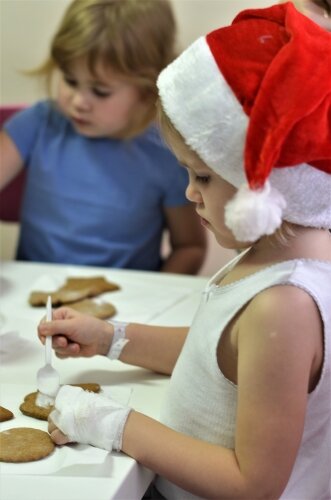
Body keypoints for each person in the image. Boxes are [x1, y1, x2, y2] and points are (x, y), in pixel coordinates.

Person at [38, 3, 331, 499]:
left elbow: (253, 484)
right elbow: (217, 359)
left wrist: (114, 425)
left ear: (269, 184)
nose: (190, 193)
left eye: (202, 176)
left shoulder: (285, 304)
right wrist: (111, 338)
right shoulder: (273, 255)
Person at [0, 0, 206, 274]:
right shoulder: (39, 123)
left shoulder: (168, 153)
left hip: (124, 306)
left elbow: (189, 246)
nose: (78, 101)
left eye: (100, 91)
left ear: (147, 90)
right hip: (37, 303)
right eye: (71, 81)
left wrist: (150, 308)